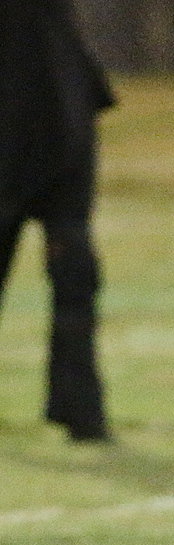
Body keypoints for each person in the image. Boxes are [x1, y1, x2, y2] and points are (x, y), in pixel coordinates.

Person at [0, 0, 115, 441]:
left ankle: (80, 410)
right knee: (75, 277)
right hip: (33, 127)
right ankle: (80, 412)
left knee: (75, 275)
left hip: (60, 125)